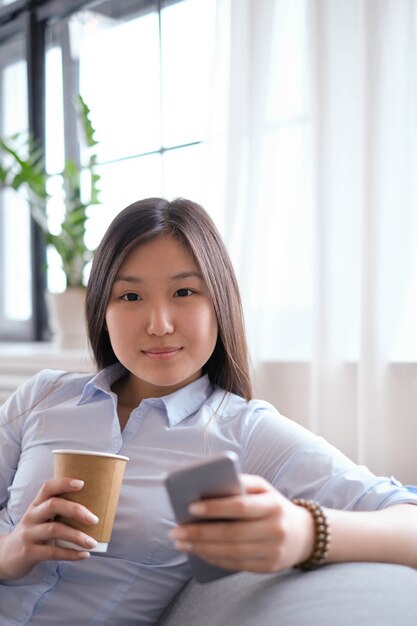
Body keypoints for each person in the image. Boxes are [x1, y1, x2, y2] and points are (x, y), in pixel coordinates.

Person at [1, 196, 417, 625]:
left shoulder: (245, 432)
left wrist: (305, 531)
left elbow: (409, 520)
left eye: (184, 292)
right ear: (101, 311)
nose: (159, 323)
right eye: (129, 295)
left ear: (219, 301)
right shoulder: (43, 397)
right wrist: (11, 552)